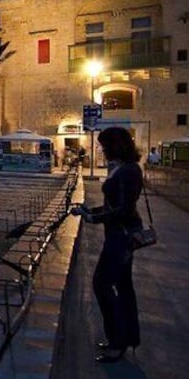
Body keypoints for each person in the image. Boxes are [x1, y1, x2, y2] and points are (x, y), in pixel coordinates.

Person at [70, 126, 144, 363]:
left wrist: (92, 217)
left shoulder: (128, 171)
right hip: (120, 234)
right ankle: (126, 338)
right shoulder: (125, 169)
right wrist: (88, 211)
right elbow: (114, 206)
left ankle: (118, 342)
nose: (101, 150)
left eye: (104, 146)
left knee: (102, 284)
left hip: (121, 236)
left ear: (114, 146)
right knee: (123, 287)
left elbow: (123, 209)